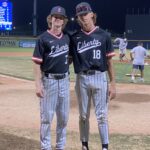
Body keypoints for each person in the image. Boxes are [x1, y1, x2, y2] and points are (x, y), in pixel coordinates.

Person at [70, 2, 116, 150]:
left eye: (85, 14)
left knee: (102, 116)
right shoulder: (75, 37)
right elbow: (69, 59)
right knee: (83, 115)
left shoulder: (104, 35)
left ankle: (105, 147)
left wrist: (113, 83)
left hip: (100, 77)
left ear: (92, 14)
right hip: (81, 78)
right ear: (77, 18)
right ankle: (84, 145)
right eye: (79, 16)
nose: (83, 18)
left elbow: (109, 62)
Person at [32, 6, 70, 150]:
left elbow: (69, 57)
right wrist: (38, 84)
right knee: (46, 118)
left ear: (64, 21)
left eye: (60, 17)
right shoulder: (43, 38)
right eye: (55, 17)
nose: (57, 19)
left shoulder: (67, 37)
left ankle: (60, 146)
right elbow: (36, 63)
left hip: (65, 81)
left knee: (64, 118)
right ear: (50, 19)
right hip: (49, 81)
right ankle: (46, 147)